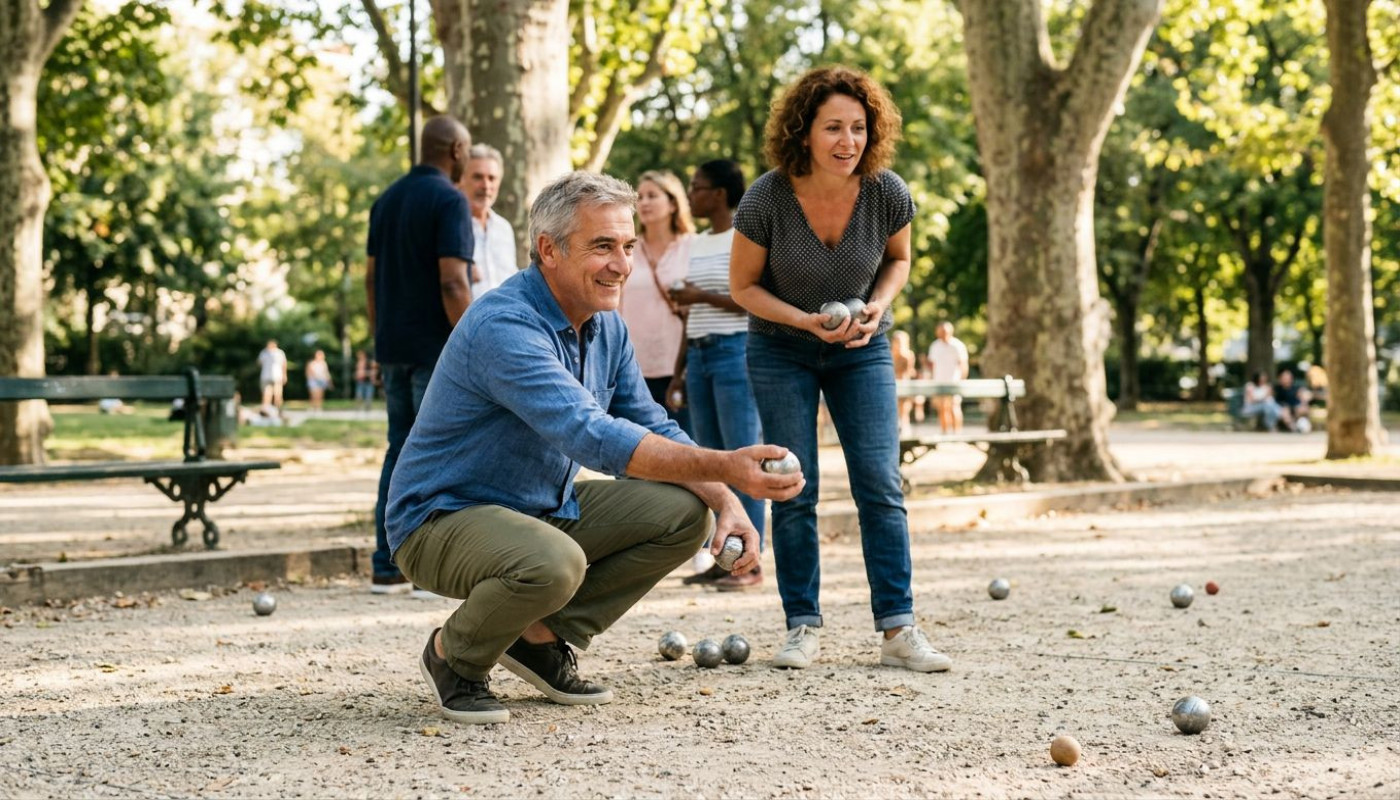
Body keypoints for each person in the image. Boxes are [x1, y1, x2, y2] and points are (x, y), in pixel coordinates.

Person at [386, 171, 804, 725]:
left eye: (627, 246)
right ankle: (454, 656)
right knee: (555, 563)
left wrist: (727, 499)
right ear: (548, 250)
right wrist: (727, 462)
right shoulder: (504, 324)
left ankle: (535, 638)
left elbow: (652, 422)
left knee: (684, 514)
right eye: (602, 246)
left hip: (536, 510)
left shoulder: (606, 327)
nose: (622, 264)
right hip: (439, 519)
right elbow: (592, 435)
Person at [730, 65, 951, 674]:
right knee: (794, 487)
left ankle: (898, 628)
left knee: (880, 484)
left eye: (857, 127)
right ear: (805, 132)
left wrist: (879, 304)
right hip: (780, 349)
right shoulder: (768, 196)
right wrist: (803, 323)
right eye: (833, 127)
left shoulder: (886, 191)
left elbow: (899, 260)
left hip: (864, 349)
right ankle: (802, 624)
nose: (847, 141)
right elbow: (742, 287)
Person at [365, 115, 476, 596]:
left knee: (399, 449)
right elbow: (453, 279)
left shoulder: (385, 201)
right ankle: (430, 565)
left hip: (394, 345)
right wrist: (474, 340)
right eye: (467, 150)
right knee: (442, 453)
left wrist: (380, 337)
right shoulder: (450, 200)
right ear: (454, 150)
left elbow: (371, 279)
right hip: (437, 347)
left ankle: (387, 563)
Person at [668, 159, 766, 591]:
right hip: (701, 355)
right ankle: (723, 558)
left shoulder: (743, 236)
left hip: (734, 353)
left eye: (698, 187)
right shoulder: (697, 242)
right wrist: (679, 372)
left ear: (721, 194)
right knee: (709, 460)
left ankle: (752, 563)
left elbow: (752, 300)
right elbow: (693, 315)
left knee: (742, 457)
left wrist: (698, 295)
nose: (691, 195)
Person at [620, 170, 693, 434]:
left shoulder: (692, 246)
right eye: (640, 197)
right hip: (634, 365)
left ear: (673, 203)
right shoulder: (627, 248)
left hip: (680, 366)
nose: (645, 203)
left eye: (653, 195)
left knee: (684, 445)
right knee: (636, 445)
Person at [457, 144, 519, 298]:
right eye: (478, 177)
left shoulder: (503, 228)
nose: (486, 186)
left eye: (492, 178)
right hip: (465, 321)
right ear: (461, 180)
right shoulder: (452, 226)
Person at [927, 321, 970, 433]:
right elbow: (932, 365)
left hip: (953, 382)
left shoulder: (958, 345)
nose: (943, 333)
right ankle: (944, 432)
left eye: (945, 331)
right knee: (942, 408)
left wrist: (962, 380)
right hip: (939, 382)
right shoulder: (935, 346)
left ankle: (957, 433)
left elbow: (963, 365)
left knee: (954, 407)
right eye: (941, 331)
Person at [890, 330, 918, 438]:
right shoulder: (888, 353)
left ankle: (905, 433)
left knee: (904, 410)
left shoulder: (908, 355)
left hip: (904, 385)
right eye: (896, 341)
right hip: (892, 385)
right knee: (893, 410)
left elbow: (908, 372)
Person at [257, 339, 288, 417]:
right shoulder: (264, 352)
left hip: (277, 376)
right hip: (266, 376)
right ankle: (265, 411)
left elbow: (284, 364)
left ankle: (278, 410)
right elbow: (259, 363)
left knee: (278, 394)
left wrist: (284, 375)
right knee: (266, 394)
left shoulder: (279, 353)